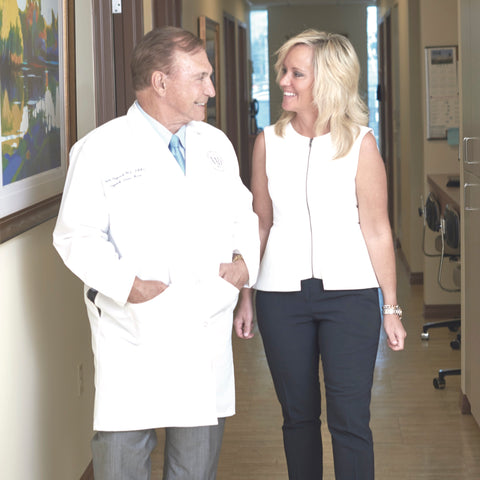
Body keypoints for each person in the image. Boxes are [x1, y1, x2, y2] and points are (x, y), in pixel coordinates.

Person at [53, 26, 259, 480]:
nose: (211, 88)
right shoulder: (100, 150)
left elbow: (243, 215)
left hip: (204, 328)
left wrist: (244, 265)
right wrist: (131, 287)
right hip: (135, 331)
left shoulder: (214, 145)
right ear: (161, 82)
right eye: (200, 77)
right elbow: (75, 236)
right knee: (122, 463)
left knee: (195, 469)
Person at [234, 29, 407, 480]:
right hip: (280, 297)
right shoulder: (267, 142)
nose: (283, 82)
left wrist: (390, 307)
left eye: (296, 73)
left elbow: (377, 229)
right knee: (298, 419)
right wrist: (247, 295)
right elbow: (261, 223)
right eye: (283, 71)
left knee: (350, 422)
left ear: (326, 80)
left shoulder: (360, 144)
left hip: (350, 298)